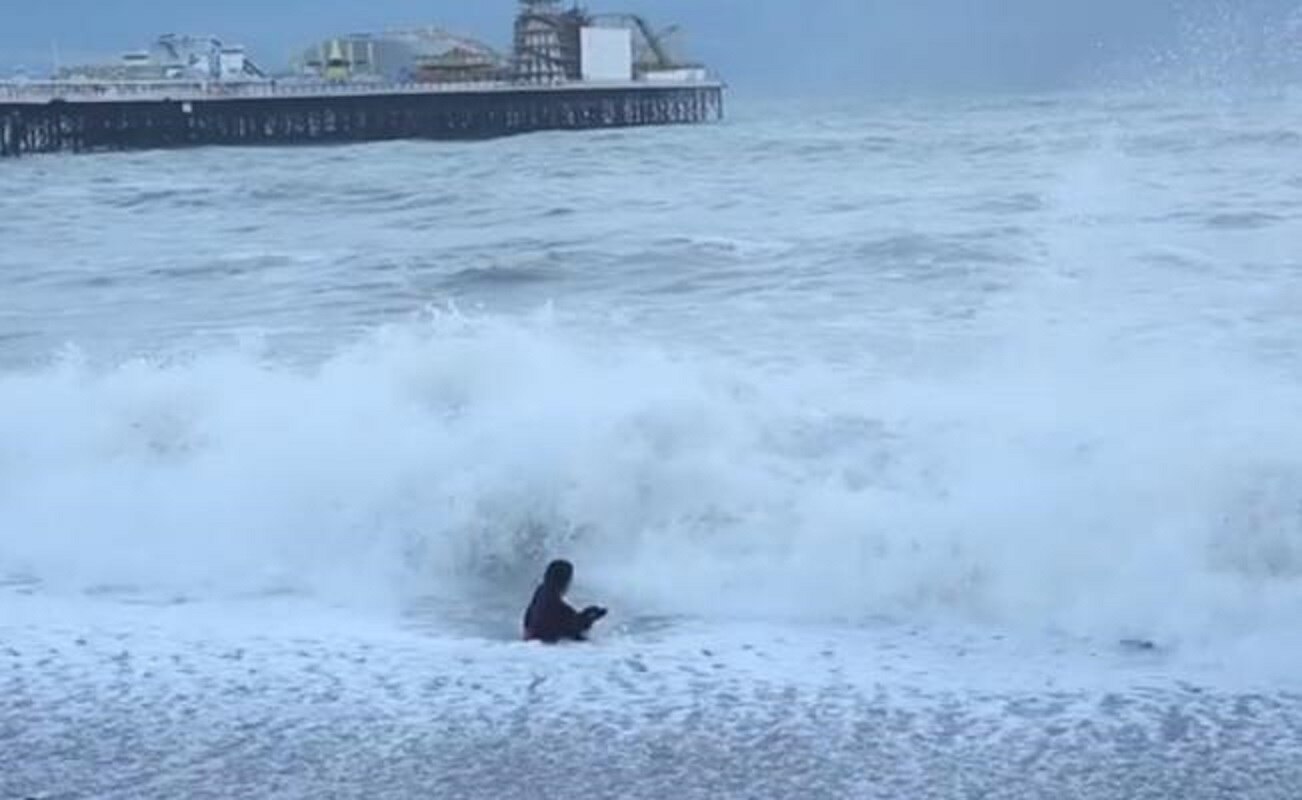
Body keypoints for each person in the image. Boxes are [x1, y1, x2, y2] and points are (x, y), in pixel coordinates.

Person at [523, 559, 608, 643]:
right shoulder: (555, 604)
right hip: (545, 647)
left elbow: (528, 616)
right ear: (564, 581)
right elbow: (574, 626)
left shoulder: (541, 592)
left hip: (534, 643)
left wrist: (586, 616)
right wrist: (590, 617)